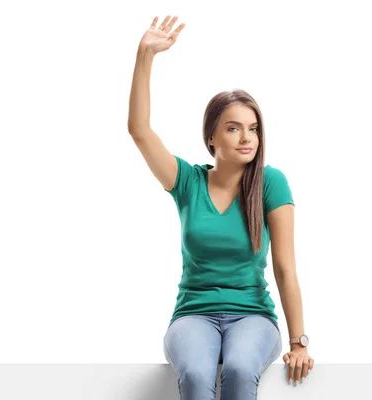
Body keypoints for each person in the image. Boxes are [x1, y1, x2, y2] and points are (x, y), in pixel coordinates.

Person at [128, 15, 314, 399]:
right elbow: (140, 130)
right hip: (193, 315)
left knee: (241, 369)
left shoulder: (270, 183)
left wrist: (298, 341)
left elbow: (284, 266)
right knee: (196, 374)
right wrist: (144, 56)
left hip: (253, 316)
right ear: (211, 135)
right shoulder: (187, 182)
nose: (247, 137)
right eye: (233, 127)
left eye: (253, 127)